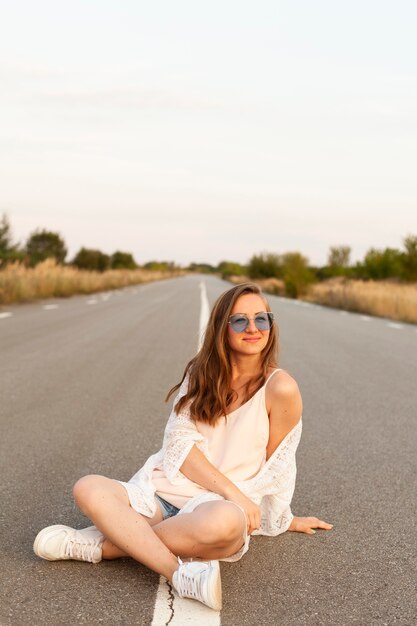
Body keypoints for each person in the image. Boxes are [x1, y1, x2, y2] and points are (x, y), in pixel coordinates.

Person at [33, 282, 333, 611]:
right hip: (166, 491)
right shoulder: (201, 372)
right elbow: (179, 446)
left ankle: (97, 545)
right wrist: (236, 494)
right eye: (240, 320)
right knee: (88, 487)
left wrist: (281, 517)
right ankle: (179, 574)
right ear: (222, 327)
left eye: (262, 319)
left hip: (214, 509)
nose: (252, 328)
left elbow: (277, 466)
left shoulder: (282, 388)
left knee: (226, 525)